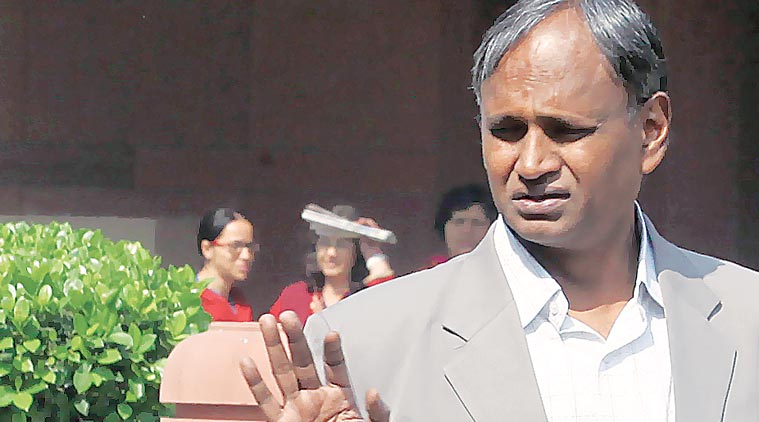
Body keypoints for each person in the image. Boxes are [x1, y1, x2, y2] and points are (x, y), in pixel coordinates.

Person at [240, 1, 759, 421]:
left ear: (650, 131)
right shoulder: (357, 348)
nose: (530, 164)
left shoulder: (747, 320)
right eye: (506, 131)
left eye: (566, 131)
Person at [269, 205, 395, 325]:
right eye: (325, 243)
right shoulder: (295, 295)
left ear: (356, 252)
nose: (331, 253)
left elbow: (389, 307)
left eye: (341, 245)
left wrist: (373, 252)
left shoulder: (366, 296)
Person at [196, 207, 258, 322]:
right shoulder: (189, 300)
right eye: (235, 246)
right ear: (207, 249)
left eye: (250, 247)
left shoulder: (240, 301)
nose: (247, 256)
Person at [428, 183, 498, 267]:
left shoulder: (505, 272)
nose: (467, 230)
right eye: (459, 222)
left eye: (477, 223)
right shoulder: (431, 273)